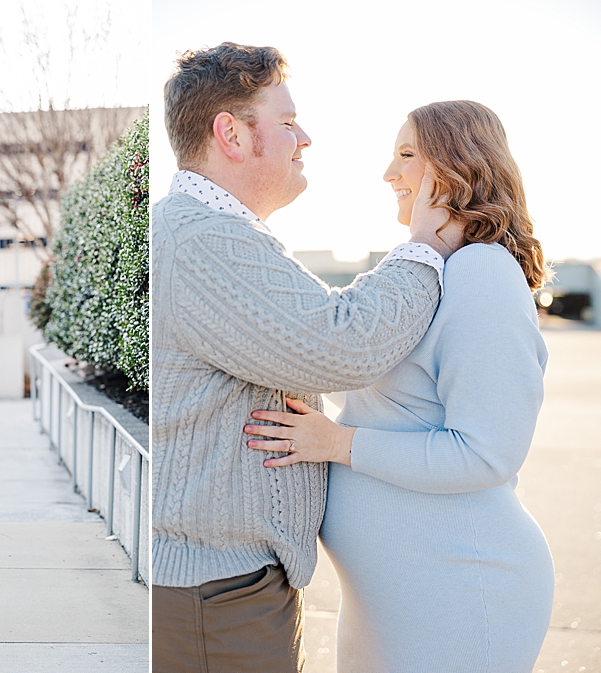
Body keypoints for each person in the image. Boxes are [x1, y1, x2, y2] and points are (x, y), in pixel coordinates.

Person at [152, 42, 454, 672]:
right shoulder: (203, 239)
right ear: (231, 134)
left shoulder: (215, 235)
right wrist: (424, 247)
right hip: (217, 598)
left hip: (224, 588)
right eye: (287, 123)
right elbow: (342, 343)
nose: (305, 138)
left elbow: (317, 327)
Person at [245, 100, 554, 672]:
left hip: (461, 588)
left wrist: (336, 444)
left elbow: (485, 452)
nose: (389, 173)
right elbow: (396, 402)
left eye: (408, 155)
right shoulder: (437, 267)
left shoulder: (482, 272)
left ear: (459, 165)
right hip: (398, 598)